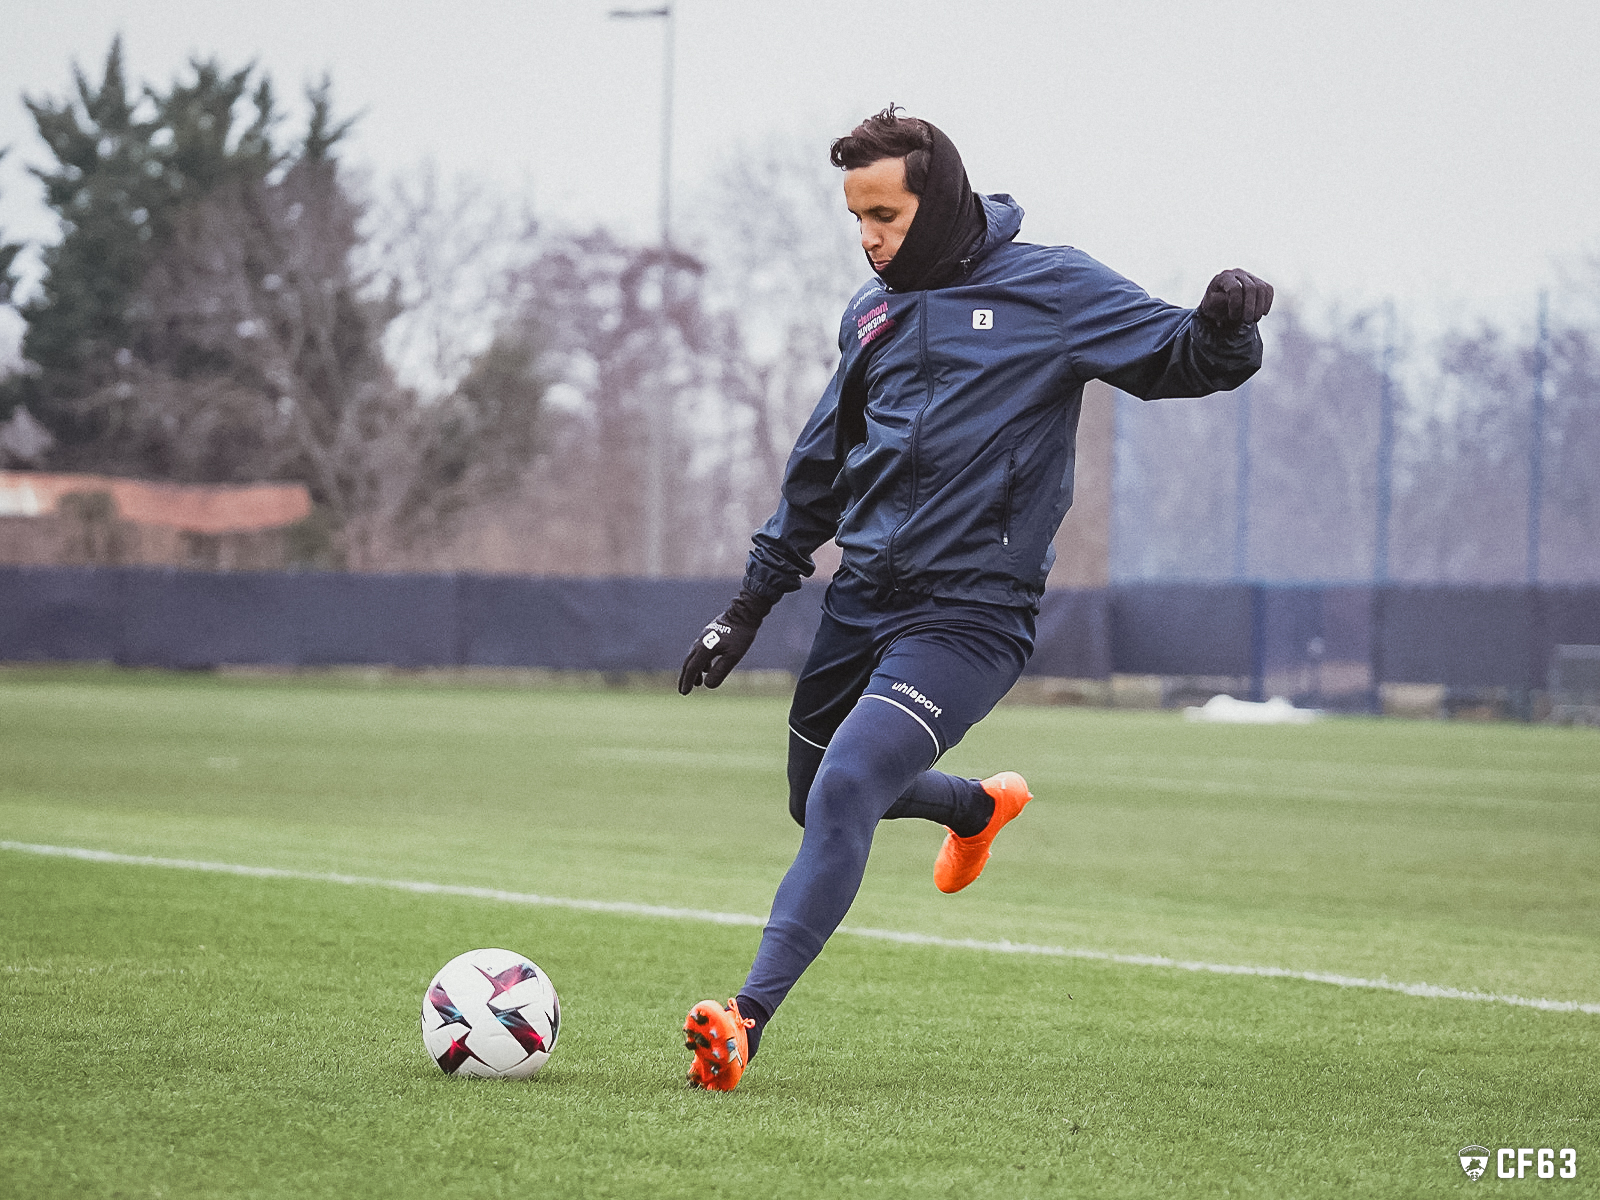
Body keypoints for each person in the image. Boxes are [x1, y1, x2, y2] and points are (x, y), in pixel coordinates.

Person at [676, 106, 1272, 1091]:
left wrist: (1225, 325)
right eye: (855, 218)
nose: (867, 238)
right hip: (859, 600)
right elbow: (818, 472)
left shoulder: (1053, 287)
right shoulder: (870, 314)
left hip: (969, 616)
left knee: (844, 791)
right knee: (814, 799)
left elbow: (1182, 359)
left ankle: (743, 1021)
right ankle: (974, 809)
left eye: (884, 214)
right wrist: (747, 606)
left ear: (939, 202)